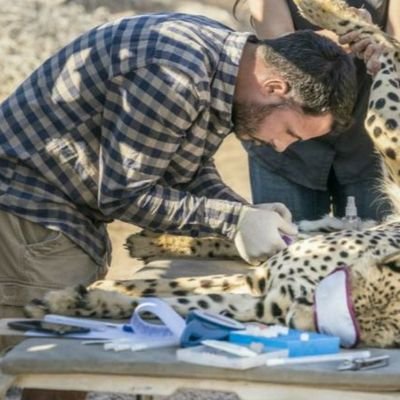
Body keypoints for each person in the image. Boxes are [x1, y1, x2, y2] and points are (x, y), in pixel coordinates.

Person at [0, 12, 356, 400]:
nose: (281, 147)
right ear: (275, 86)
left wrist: (245, 213)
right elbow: (126, 194)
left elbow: (185, 168)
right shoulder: (174, 76)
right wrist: (233, 220)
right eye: (288, 132)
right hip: (29, 207)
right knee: (57, 367)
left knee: (62, 363)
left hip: (60, 209)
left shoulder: (229, 65)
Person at [234, 0, 400, 222]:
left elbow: (395, 43)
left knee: (376, 249)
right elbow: (281, 52)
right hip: (285, 141)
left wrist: (382, 48)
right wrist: (355, 32)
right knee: (285, 246)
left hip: (367, 142)